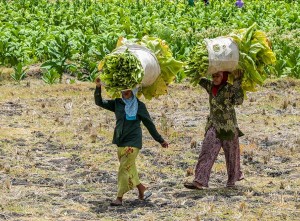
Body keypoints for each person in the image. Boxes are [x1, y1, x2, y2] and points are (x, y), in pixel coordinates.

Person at [94, 78, 169, 206]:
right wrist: (98, 87)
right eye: (123, 89)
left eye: (128, 88)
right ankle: (141, 189)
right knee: (129, 168)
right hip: (120, 141)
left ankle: (119, 197)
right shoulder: (117, 103)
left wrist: (160, 140)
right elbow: (99, 102)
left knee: (123, 169)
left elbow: (149, 124)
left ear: (133, 89)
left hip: (134, 142)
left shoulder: (140, 106)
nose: (125, 91)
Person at [184, 71, 244, 189]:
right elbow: (197, 78)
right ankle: (199, 181)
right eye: (213, 76)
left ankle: (232, 181)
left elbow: (239, 100)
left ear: (224, 77)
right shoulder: (210, 86)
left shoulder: (230, 88)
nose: (215, 78)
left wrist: (238, 80)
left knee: (232, 156)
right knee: (206, 152)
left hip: (229, 127)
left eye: (218, 76)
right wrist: (200, 69)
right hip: (214, 125)